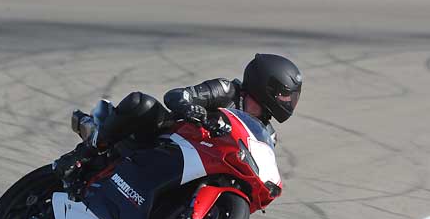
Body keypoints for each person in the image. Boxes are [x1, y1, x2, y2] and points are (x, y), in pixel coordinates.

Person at [56, 54, 302, 185]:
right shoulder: (227, 90)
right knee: (141, 103)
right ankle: (84, 153)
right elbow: (178, 95)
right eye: (285, 94)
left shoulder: (266, 133)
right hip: (167, 140)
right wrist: (191, 109)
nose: (289, 101)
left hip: (204, 164)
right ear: (265, 85)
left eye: (291, 97)